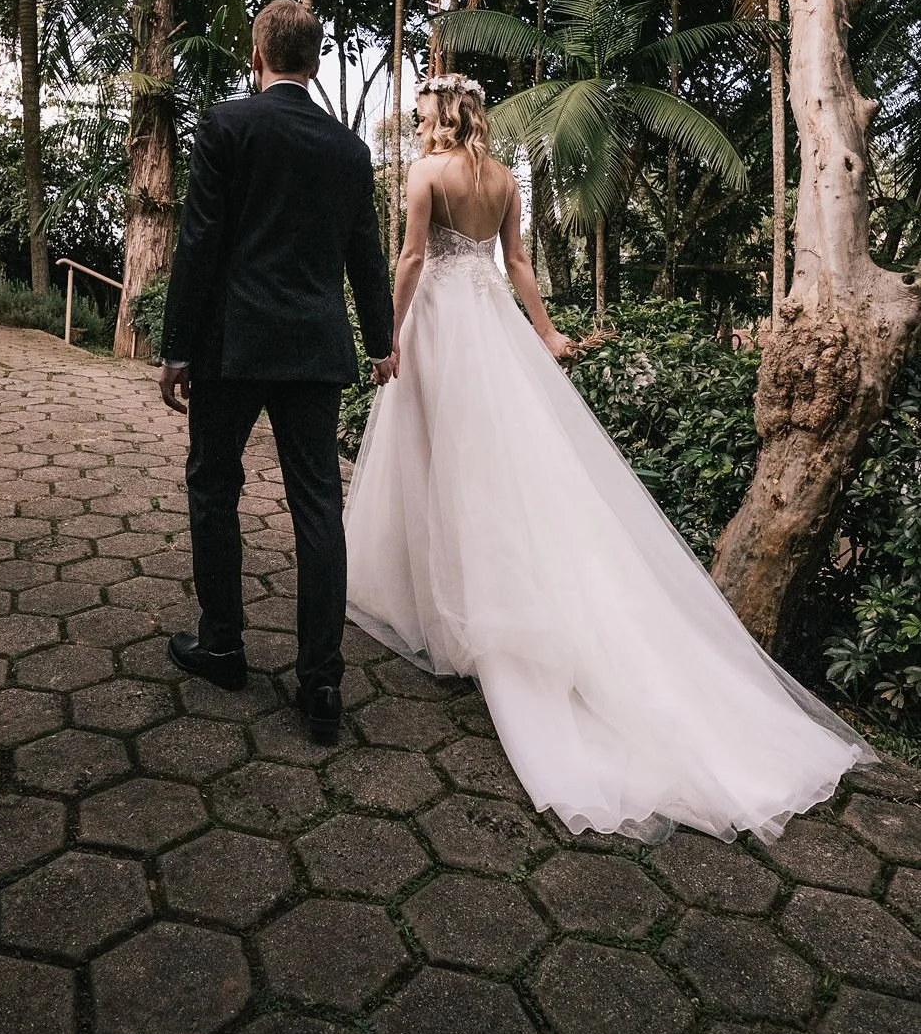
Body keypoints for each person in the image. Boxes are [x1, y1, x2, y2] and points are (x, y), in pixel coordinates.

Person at [344, 71, 875, 842]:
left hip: (440, 329)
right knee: (496, 472)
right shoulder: (501, 179)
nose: (421, 123)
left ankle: (458, 610)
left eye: (423, 111)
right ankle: (459, 598)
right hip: (490, 328)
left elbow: (411, 261)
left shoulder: (426, 173)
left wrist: (388, 339)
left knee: (444, 464)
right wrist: (548, 334)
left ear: (438, 115)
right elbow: (518, 264)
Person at [159, 0, 394, 740]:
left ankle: (223, 644)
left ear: (256, 58)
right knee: (319, 508)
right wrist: (383, 341)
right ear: (315, 62)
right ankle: (321, 685)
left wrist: (176, 349)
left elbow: (199, 244)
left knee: (214, 483)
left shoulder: (227, 125)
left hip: (234, 346)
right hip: (315, 351)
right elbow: (366, 257)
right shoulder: (350, 152)